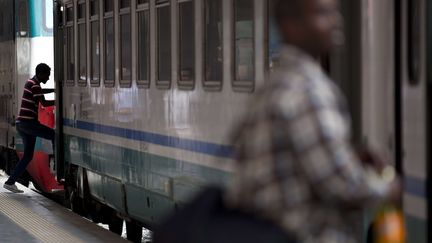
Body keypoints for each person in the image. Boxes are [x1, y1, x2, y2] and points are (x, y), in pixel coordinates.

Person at [225, 0, 400, 242]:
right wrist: (388, 189)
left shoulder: (276, 84)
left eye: (334, 12)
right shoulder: (305, 90)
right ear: (290, 25)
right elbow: (342, 185)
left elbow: (298, 166)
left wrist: (350, 158)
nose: (336, 21)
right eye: (323, 14)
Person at [3, 63, 55, 193]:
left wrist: (54, 90)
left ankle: (10, 182)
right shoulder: (35, 85)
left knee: (27, 156)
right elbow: (44, 102)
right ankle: (57, 166)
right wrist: (60, 99)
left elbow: (40, 91)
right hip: (29, 124)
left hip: (22, 124)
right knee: (54, 135)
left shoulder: (30, 82)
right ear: (41, 74)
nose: (48, 78)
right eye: (47, 76)